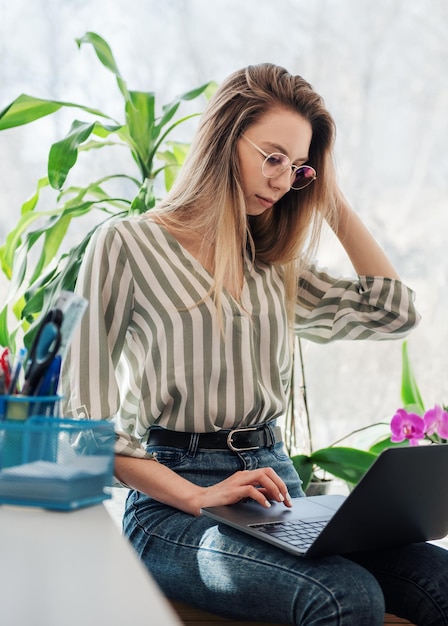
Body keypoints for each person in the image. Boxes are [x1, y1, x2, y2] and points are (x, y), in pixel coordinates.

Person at [62, 64, 448, 625]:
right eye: (272, 158)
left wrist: (328, 197)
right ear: (223, 139)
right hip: (173, 503)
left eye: (298, 169)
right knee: (346, 596)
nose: (283, 180)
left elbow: (393, 312)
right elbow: (85, 423)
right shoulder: (126, 244)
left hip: (275, 494)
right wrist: (196, 495)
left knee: (439, 580)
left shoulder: (272, 263)